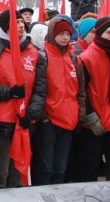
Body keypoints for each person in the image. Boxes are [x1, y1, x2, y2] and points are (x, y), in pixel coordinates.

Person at [0, 9, 47, 187]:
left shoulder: (34, 54)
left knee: (19, 172)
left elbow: (40, 89)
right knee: (2, 172)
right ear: (6, 26)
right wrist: (8, 92)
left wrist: (32, 114)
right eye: (15, 22)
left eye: (21, 22)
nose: (21, 26)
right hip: (2, 122)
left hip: (24, 122)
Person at [31, 17, 85, 185]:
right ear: (52, 34)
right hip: (49, 121)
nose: (65, 37)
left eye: (68, 34)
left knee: (61, 167)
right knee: (46, 167)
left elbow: (81, 91)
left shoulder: (74, 58)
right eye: (61, 33)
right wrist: (44, 117)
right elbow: (35, 89)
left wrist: (79, 115)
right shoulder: (42, 56)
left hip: (69, 119)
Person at [76, 17, 110, 181]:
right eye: (109, 33)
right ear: (99, 34)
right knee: (90, 170)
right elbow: (81, 91)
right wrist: (91, 118)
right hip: (94, 124)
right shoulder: (86, 58)